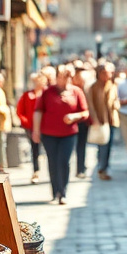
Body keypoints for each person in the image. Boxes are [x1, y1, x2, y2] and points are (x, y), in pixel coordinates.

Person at [33, 64, 88, 205]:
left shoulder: (76, 91)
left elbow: (85, 112)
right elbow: (38, 111)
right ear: (56, 77)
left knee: (64, 161)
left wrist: (74, 117)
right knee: (53, 161)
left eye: (67, 77)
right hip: (49, 134)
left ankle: (63, 192)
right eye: (62, 77)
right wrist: (36, 131)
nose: (64, 80)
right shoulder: (47, 92)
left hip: (68, 134)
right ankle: (55, 191)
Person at [88, 63, 120, 180]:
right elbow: (91, 105)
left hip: (111, 120)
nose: (107, 75)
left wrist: (117, 105)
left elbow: (116, 100)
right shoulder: (94, 87)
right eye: (105, 73)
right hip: (100, 121)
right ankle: (102, 167)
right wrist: (95, 119)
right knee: (102, 145)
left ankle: (105, 167)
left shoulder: (112, 86)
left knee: (109, 145)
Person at [16, 71, 48, 184]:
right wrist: (26, 122)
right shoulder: (27, 95)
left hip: (46, 127)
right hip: (31, 127)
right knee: (35, 149)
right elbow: (20, 110)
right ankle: (36, 171)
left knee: (48, 150)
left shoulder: (46, 94)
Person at [72, 67, 92, 178]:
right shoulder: (71, 90)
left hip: (83, 121)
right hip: (71, 122)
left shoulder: (87, 89)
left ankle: (80, 168)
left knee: (81, 145)